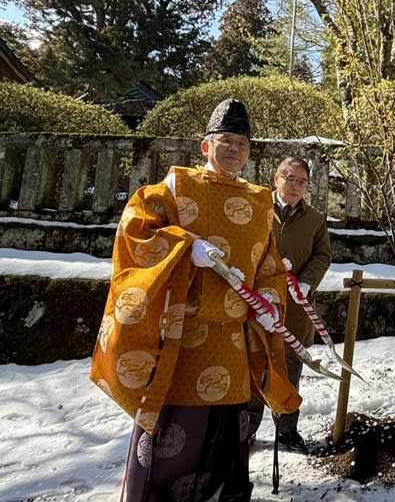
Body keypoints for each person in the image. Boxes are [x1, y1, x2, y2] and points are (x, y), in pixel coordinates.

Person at [90, 98, 300, 501]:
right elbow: (136, 234)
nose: (234, 149)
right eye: (225, 140)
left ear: (250, 151)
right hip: (185, 339)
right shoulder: (175, 187)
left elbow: (270, 266)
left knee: (227, 441)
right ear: (205, 146)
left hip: (234, 341)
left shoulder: (260, 202)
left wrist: (270, 304)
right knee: (174, 440)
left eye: (241, 142)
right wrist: (184, 247)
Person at [247, 157, 332, 453]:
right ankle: (247, 429)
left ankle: (287, 431)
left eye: (302, 181)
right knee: (255, 370)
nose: (295, 186)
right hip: (258, 307)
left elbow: (322, 256)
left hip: (294, 311)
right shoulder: (256, 208)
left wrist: (306, 283)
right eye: (290, 178)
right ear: (276, 178)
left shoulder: (315, 220)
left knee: (289, 371)